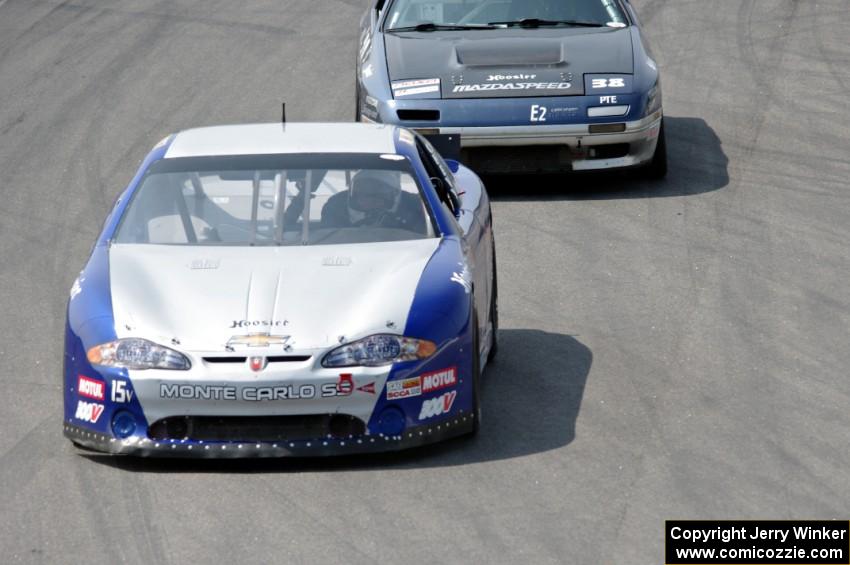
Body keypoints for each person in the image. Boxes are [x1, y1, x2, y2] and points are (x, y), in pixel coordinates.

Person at [321, 169, 427, 233]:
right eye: (362, 194)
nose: (368, 200)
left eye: (377, 195)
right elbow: (327, 239)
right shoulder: (336, 207)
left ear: (394, 195)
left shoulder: (416, 208)